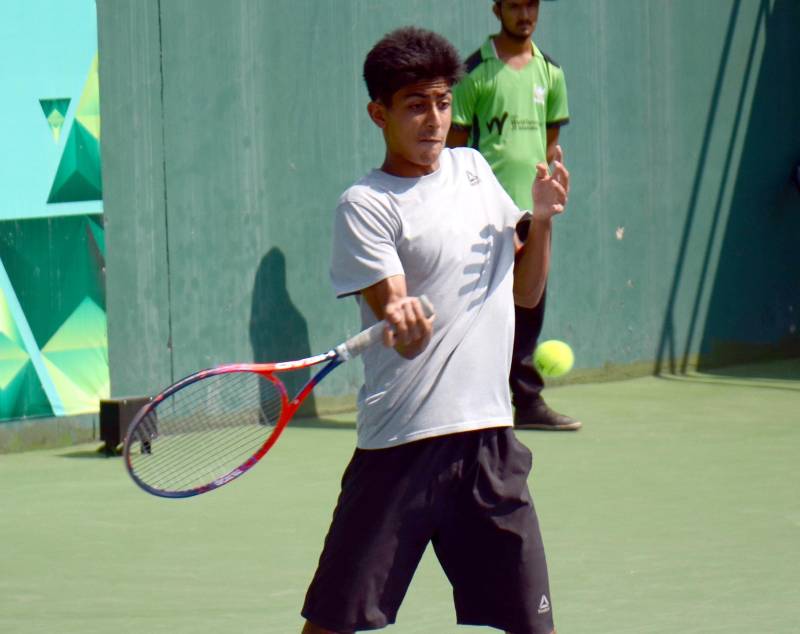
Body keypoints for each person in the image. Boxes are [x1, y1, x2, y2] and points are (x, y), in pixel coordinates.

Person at [300, 26, 569, 634]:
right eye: (415, 104)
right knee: (333, 625)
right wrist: (401, 314)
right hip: (401, 450)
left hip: (489, 448)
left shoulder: (475, 171)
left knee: (533, 626)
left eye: (443, 102)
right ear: (380, 113)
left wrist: (544, 221)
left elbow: (524, 291)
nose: (434, 119)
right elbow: (397, 313)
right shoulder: (366, 203)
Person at [447, 0, 581, 431]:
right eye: (515, 5)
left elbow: (549, 140)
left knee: (530, 307)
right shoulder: (472, 73)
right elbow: (457, 146)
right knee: (478, 309)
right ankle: (468, 406)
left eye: (532, 5)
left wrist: (541, 204)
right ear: (497, 9)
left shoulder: (551, 73)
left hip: (532, 214)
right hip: (484, 214)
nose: (525, 14)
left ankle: (528, 403)